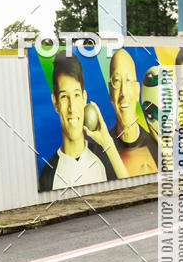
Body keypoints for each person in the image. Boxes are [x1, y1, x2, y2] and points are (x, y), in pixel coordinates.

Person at [39, 51, 127, 190]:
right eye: (64, 97)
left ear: (84, 97)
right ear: (55, 102)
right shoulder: (48, 174)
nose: (72, 108)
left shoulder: (104, 156)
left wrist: (107, 143)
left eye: (76, 95)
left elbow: (128, 190)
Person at [108, 49, 157, 175]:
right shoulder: (101, 150)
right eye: (117, 82)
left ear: (137, 90)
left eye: (128, 80)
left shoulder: (156, 146)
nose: (123, 92)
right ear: (110, 92)